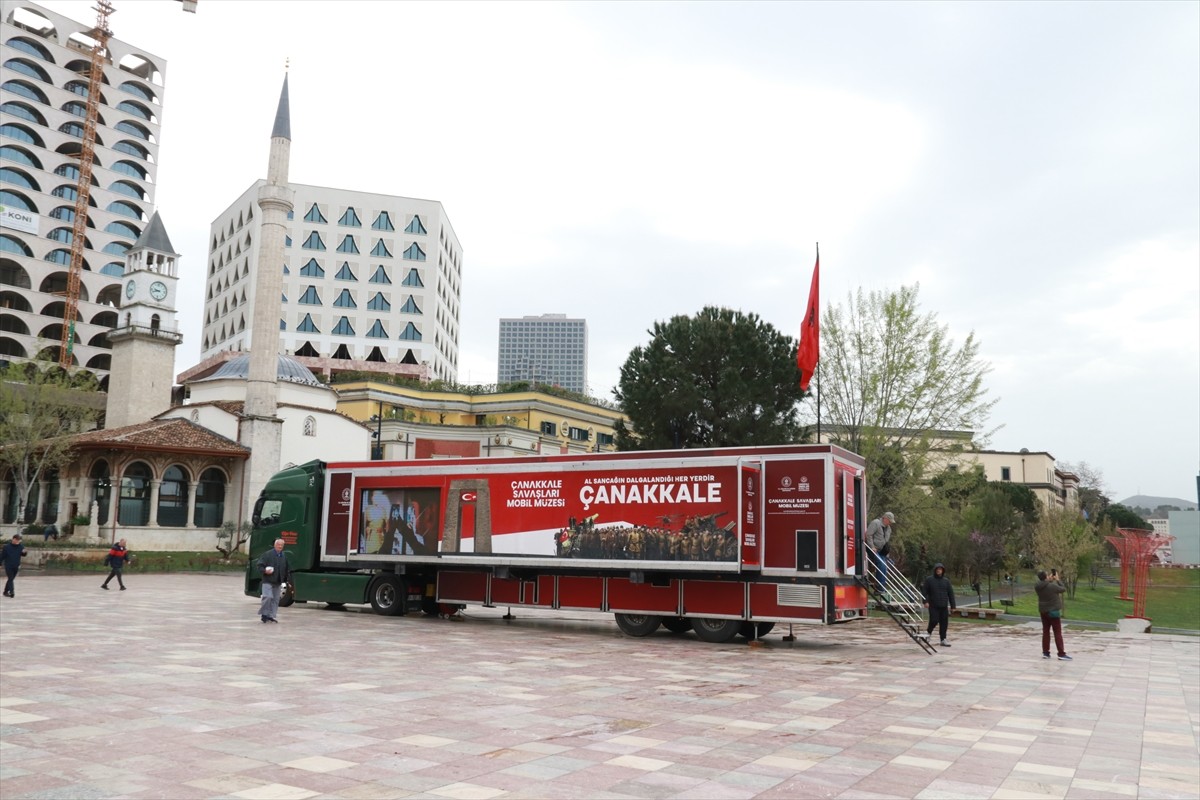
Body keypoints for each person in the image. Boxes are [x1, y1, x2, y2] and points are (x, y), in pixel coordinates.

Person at [1035, 569, 1072, 661]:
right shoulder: (1052, 586)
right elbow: (1063, 589)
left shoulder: (1037, 586)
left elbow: (1045, 585)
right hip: (1053, 612)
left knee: (1046, 632)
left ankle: (1046, 652)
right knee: (1057, 632)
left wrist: (1049, 580)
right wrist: (1058, 580)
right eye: (1047, 575)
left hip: (1043, 611)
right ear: (1045, 577)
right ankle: (1061, 653)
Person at [921, 562, 957, 647]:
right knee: (934, 620)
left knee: (944, 623)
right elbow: (924, 592)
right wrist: (925, 601)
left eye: (940, 569)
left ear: (943, 570)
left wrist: (953, 606)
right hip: (933, 605)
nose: (939, 571)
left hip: (944, 606)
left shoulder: (946, 581)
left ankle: (943, 639)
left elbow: (951, 594)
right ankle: (928, 633)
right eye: (937, 569)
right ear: (935, 570)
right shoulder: (929, 580)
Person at [256, 538, 290, 623]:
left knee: (275, 599)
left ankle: (270, 616)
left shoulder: (283, 556)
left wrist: (287, 580)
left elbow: (286, 568)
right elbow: (259, 565)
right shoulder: (267, 554)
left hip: (278, 581)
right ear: (275, 545)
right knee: (267, 597)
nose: (280, 546)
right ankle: (264, 614)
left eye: (282, 545)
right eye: (278, 544)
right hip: (267, 580)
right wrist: (265, 571)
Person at [865, 512, 895, 589]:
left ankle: (881, 585)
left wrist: (886, 552)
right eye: (889, 521)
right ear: (885, 518)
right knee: (881, 564)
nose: (890, 523)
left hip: (881, 550)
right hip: (872, 548)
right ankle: (879, 586)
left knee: (885, 566)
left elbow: (885, 541)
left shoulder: (889, 529)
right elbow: (869, 535)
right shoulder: (876, 523)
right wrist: (872, 546)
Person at [2, 534, 27, 598]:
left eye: (18, 540)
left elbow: (23, 555)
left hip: (16, 565)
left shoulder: (21, 546)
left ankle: (5, 592)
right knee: (10, 578)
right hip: (8, 565)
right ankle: (11, 592)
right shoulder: (7, 547)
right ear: (13, 539)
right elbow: (2, 556)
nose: (17, 541)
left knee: (11, 579)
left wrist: (24, 552)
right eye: (16, 540)